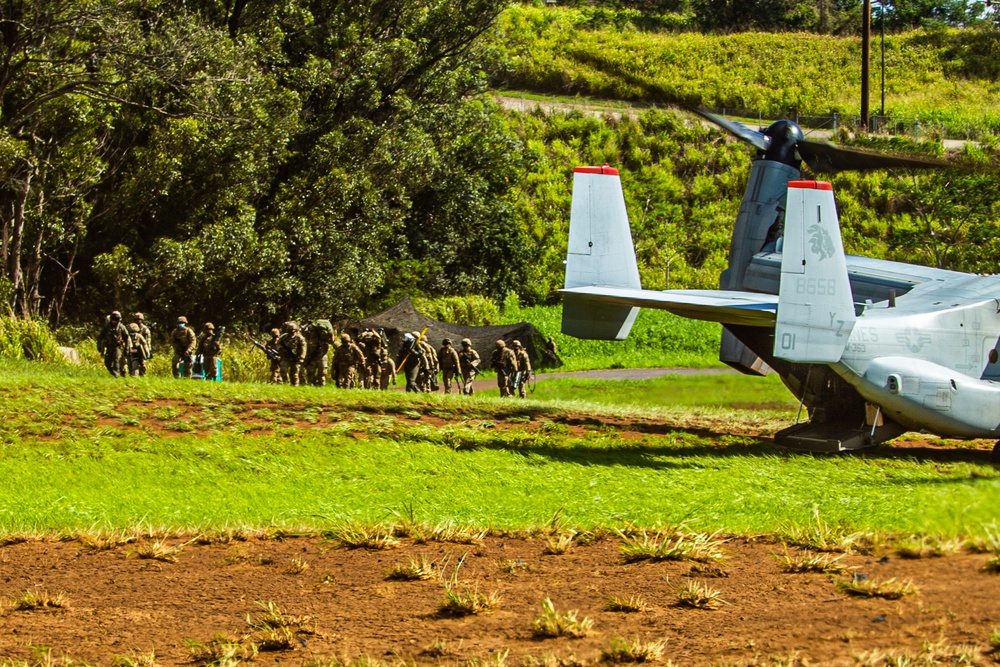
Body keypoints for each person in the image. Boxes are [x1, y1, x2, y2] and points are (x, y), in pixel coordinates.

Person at [97, 311, 130, 378]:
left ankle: (117, 376)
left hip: (118, 347)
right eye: (113, 320)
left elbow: (127, 338)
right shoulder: (107, 327)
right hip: (109, 347)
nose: (115, 321)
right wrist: (99, 346)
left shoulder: (121, 327)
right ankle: (115, 374)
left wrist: (126, 349)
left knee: (116, 361)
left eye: (116, 320)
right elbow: (101, 336)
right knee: (107, 362)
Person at [303, 321, 333, 386]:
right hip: (312, 357)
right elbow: (301, 331)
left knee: (322, 373)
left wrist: (331, 334)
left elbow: (331, 341)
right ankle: (311, 385)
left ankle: (321, 386)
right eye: (310, 331)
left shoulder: (322, 338)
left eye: (313, 331)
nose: (311, 333)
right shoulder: (308, 337)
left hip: (321, 357)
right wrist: (307, 323)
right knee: (310, 372)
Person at [277, 321, 306, 386]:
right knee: (283, 370)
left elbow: (303, 348)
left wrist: (302, 357)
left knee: (295, 372)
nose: (292, 331)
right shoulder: (284, 337)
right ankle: (286, 383)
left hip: (296, 357)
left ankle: (295, 385)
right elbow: (278, 344)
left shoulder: (299, 337)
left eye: (293, 329)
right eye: (291, 329)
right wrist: (281, 349)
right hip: (286, 357)